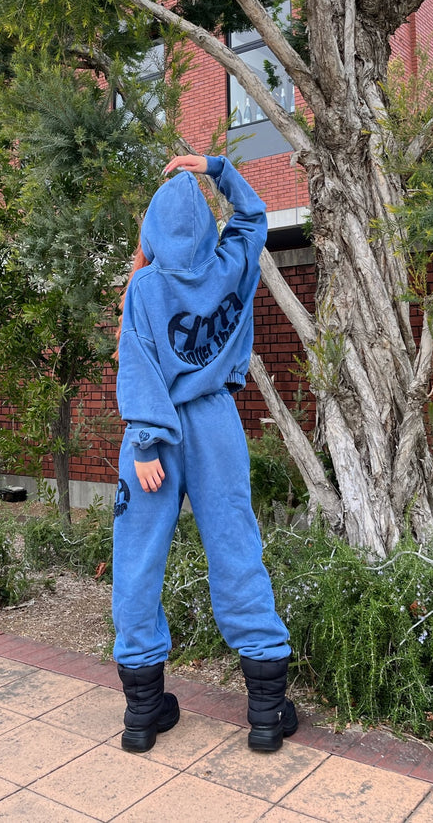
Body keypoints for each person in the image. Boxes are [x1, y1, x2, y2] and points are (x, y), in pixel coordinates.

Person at [113, 152, 298, 754]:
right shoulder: (231, 263)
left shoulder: (145, 285)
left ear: (151, 229)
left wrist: (143, 441)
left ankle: (143, 714)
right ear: (205, 227)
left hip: (155, 430)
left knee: (139, 560)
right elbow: (254, 214)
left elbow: (137, 361)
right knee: (236, 548)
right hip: (216, 422)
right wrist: (217, 168)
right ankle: (266, 712)